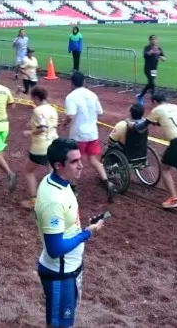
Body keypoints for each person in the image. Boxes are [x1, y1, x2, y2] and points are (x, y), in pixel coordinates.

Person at [34, 138, 105, 328]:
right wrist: (86, 233)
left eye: (80, 159)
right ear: (59, 165)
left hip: (67, 270)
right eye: (74, 161)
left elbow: (64, 224)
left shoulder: (58, 182)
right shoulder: (54, 200)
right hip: (60, 273)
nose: (81, 165)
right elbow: (55, 249)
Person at [63, 71, 111, 199]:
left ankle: (73, 188)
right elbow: (100, 112)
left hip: (78, 135)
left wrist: (64, 123)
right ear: (84, 82)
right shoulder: (92, 95)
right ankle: (107, 183)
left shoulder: (71, 97)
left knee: (73, 161)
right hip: (92, 134)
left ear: (72, 83)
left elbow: (70, 115)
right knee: (94, 160)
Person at [21, 86, 58, 210]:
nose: (32, 101)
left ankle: (34, 200)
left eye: (32, 98)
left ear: (36, 97)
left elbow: (43, 128)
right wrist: (31, 125)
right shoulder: (53, 109)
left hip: (41, 146)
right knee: (52, 172)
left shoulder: (38, 110)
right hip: (54, 144)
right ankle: (54, 200)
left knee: (28, 171)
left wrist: (29, 132)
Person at [135, 34, 166, 105]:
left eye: (155, 39)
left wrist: (161, 57)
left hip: (154, 69)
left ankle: (141, 96)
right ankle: (153, 98)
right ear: (150, 41)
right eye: (153, 39)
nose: (154, 41)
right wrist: (151, 51)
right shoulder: (147, 47)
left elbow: (164, 59)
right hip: (147, 68)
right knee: (152, 83)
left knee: (150, 84)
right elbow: (144, 55)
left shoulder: (159, 48)